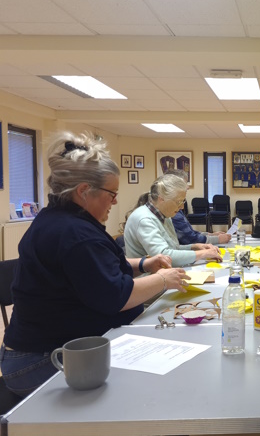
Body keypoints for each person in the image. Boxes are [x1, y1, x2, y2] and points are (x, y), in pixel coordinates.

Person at [0, 132, 190, 397]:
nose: (115, 201)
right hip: (40, 360)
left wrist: (145, 264)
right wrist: (163, 279)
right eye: (111, 194)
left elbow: (101, 266)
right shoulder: (74, 234)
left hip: (51, 349)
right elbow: (117, 297)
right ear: (83, 191)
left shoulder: (63, 220)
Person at [124, 174, 223, 267]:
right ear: (161, 199)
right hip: (147, 279)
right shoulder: (145, 220)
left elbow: (172, 249)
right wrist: (202, 253)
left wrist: (194, 247)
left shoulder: (164, 215)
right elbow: (165, 256)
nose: (182, 206)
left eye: (183, 201)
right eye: (179, 201)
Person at [164, 169, 231, 245]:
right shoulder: (172, 212)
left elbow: (190, 233)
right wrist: (217, 239)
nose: (188, 187)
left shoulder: (175, 209)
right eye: (185, 183)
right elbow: (190, 239)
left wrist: (210, 234)